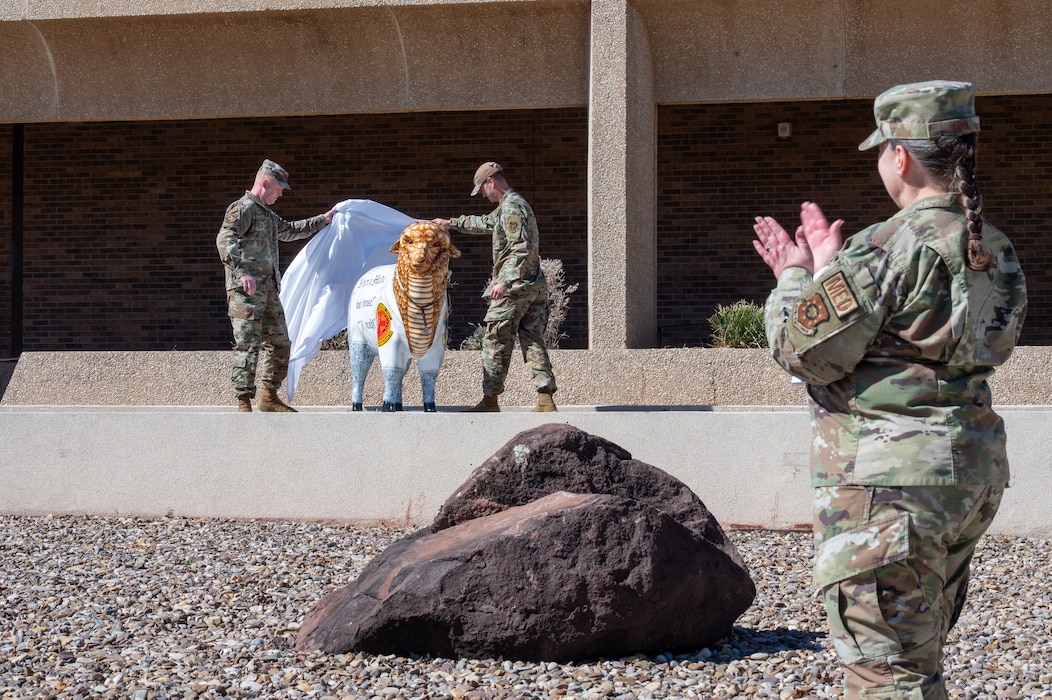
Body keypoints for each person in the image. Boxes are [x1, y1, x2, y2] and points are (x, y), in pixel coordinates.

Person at [751, 81, 1027, 699]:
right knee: (915, 660)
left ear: (900, 155)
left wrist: (795, 279)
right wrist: (828, 268)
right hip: (968, 475)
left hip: (889, 486)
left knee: (885, 676)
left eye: (880, 151)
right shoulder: (994, 247)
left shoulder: (883, 247)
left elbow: (804, 350)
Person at [433, 161, 558, 412]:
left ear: (491, 181)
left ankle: (490, 400)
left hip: (514, 289)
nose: (482, 194)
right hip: (533, 286)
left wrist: (503, 281)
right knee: (532, 339)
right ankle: (545, 399)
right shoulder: (509, 207)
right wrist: (451, 223)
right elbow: (484, 223)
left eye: (482, 189)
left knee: (494, 341)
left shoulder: (511, 207)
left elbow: (521, 248)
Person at [216, 159, 337, 412]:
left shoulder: (267, 215)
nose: (281, 194)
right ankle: (243, 402)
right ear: (265, 182)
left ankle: (269, 395)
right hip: (245, 293)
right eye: (279, 189)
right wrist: (242, 272)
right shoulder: (243, 208)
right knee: (247, 344)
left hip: (269, 291)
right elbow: (225, 238)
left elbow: (290, 230)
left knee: (281, 343)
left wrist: (323, 220)